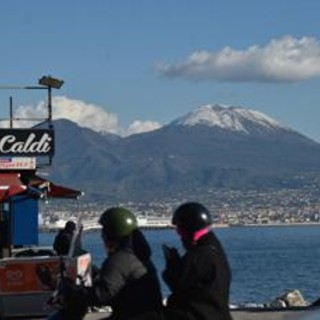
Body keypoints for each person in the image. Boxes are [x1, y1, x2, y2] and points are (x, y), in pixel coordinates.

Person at [48, 207, 163, 320]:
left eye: (104, 231)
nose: (101, 235)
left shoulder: (121, 259)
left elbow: (100, 295)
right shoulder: (137, 255)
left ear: (110, 233)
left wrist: (72, 290)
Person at [133, 201, 233, 320]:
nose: (179, 236)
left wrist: (172, 264)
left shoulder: (200, 255)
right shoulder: (214, 249)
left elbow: (178, 284)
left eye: (179, 230)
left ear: (188, 229)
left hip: (196, 315)